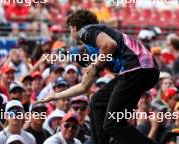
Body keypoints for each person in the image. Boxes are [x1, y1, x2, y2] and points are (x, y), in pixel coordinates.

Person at [36, 9, 160, 144]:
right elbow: (83, 87)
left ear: (74, 27)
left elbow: (109, 45)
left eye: (83, 60)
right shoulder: (100, 54)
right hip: (145, 70)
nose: (85, 63)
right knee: (97, 101)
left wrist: (95, 66)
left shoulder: (86, 31)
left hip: (137, 68)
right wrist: (55, 96)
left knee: (113, 124)